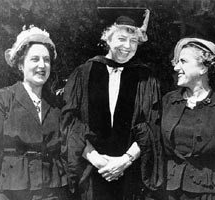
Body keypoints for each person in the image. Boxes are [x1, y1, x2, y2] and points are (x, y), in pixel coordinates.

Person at [61, 8, 163, 200]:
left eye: (134, 41)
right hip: (92, 171)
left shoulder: (146, 77)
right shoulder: (84, 73)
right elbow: (71, 123)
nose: (128, 46)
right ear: (108, 38)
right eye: (122, 39)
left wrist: (124, 161)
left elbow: (152, 125)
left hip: (130, 172)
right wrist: (97, 161)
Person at [0, 25, 70, 200]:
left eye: (47, 60)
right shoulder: (0, 99)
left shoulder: (57, 104)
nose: (42, 65)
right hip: (13, 192)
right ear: (21, 64)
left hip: (52, 192)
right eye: (34, 59)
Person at [161, 38, 215, 200]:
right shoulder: (168, 101)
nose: (176, 67)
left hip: (209, 193)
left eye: (183, 61)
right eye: (177, 62)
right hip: (168, 192)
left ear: (203, 68)